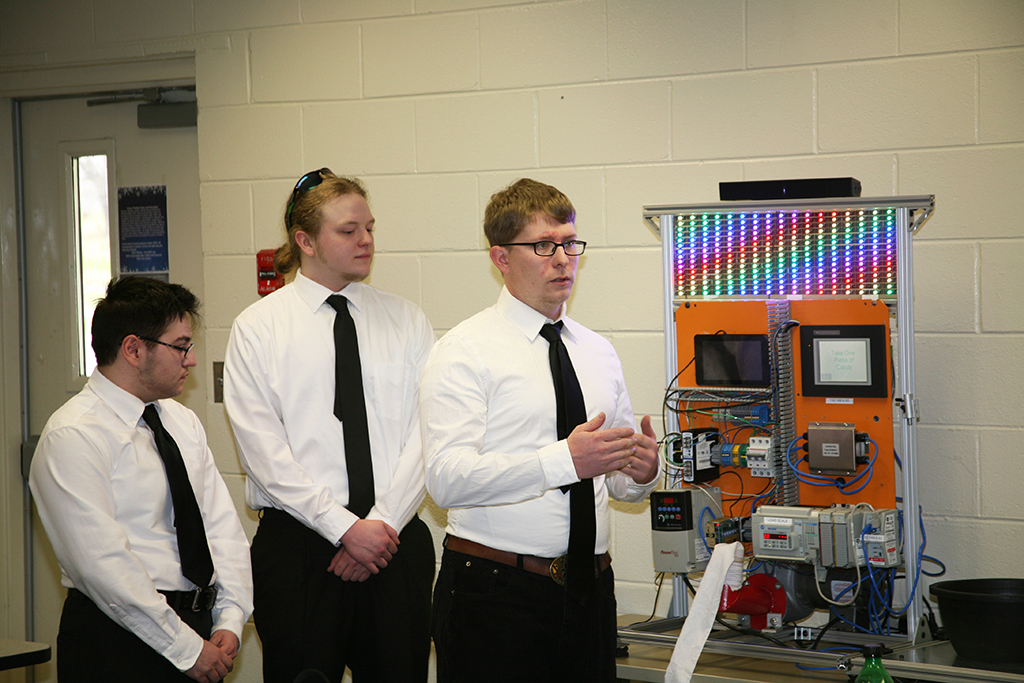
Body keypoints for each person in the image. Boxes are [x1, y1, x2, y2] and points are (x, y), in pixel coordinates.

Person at [420, 178, 662, 682]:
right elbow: (446, 480)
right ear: (501, 258)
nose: (562, 259)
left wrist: (640, 472)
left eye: (570, 244)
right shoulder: (464, 350)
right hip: (495, 594)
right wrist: (564, 461)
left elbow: (617, 481)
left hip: (590, 590)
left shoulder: (597, 351)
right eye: (543, 246)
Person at [223, 169, 435, 683]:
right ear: (305, 241)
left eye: (370, 227)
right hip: (299, 548)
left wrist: (378, 526)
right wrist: (343, 529)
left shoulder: (406, 320)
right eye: (348, 230)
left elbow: (430, 436)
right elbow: (263, 455)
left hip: (394, 542)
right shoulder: (259, 328)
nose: (366, 240)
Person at [29, 275, 253, 683]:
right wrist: (185, 649)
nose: (192, 360)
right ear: (133, 349)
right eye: (181, 346)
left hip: (199, 632)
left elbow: (220, 528)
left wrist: (230, 619)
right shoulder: (74, 434)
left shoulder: (181, 421)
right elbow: (104, 567)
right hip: (118, 640)